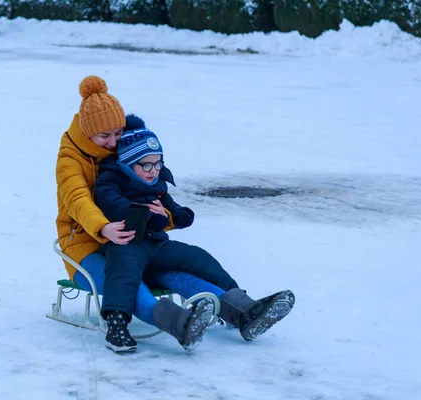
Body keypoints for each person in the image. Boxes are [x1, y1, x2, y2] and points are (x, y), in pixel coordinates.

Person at [55, 75, 294, 354]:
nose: (113, 142)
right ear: (87, 132)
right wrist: (103, 227)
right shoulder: (70, 158)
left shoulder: (124, 149)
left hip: (137, 239)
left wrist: (167, 216)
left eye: (117, 133)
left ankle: (244, 312)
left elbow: (150, 191)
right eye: (105, 136)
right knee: (127, 281)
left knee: (177, 273)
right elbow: (77, 199)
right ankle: (176, 322)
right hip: (87, 243)